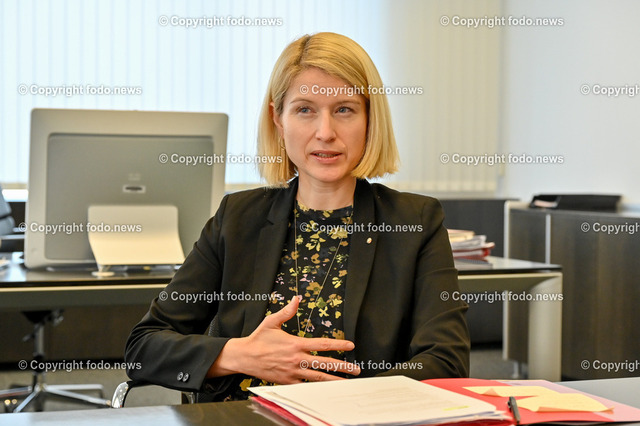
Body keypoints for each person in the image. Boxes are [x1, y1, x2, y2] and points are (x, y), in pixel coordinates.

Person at [125, 32, 470, 402]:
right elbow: (143, 349)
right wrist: (240, 354)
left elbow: (446, 362)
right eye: (305, 110)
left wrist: (353, 399)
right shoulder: (238, 217)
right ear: (278, 118)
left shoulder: (415, 221)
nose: (325, 133)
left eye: (344, 109)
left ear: (370, 119)